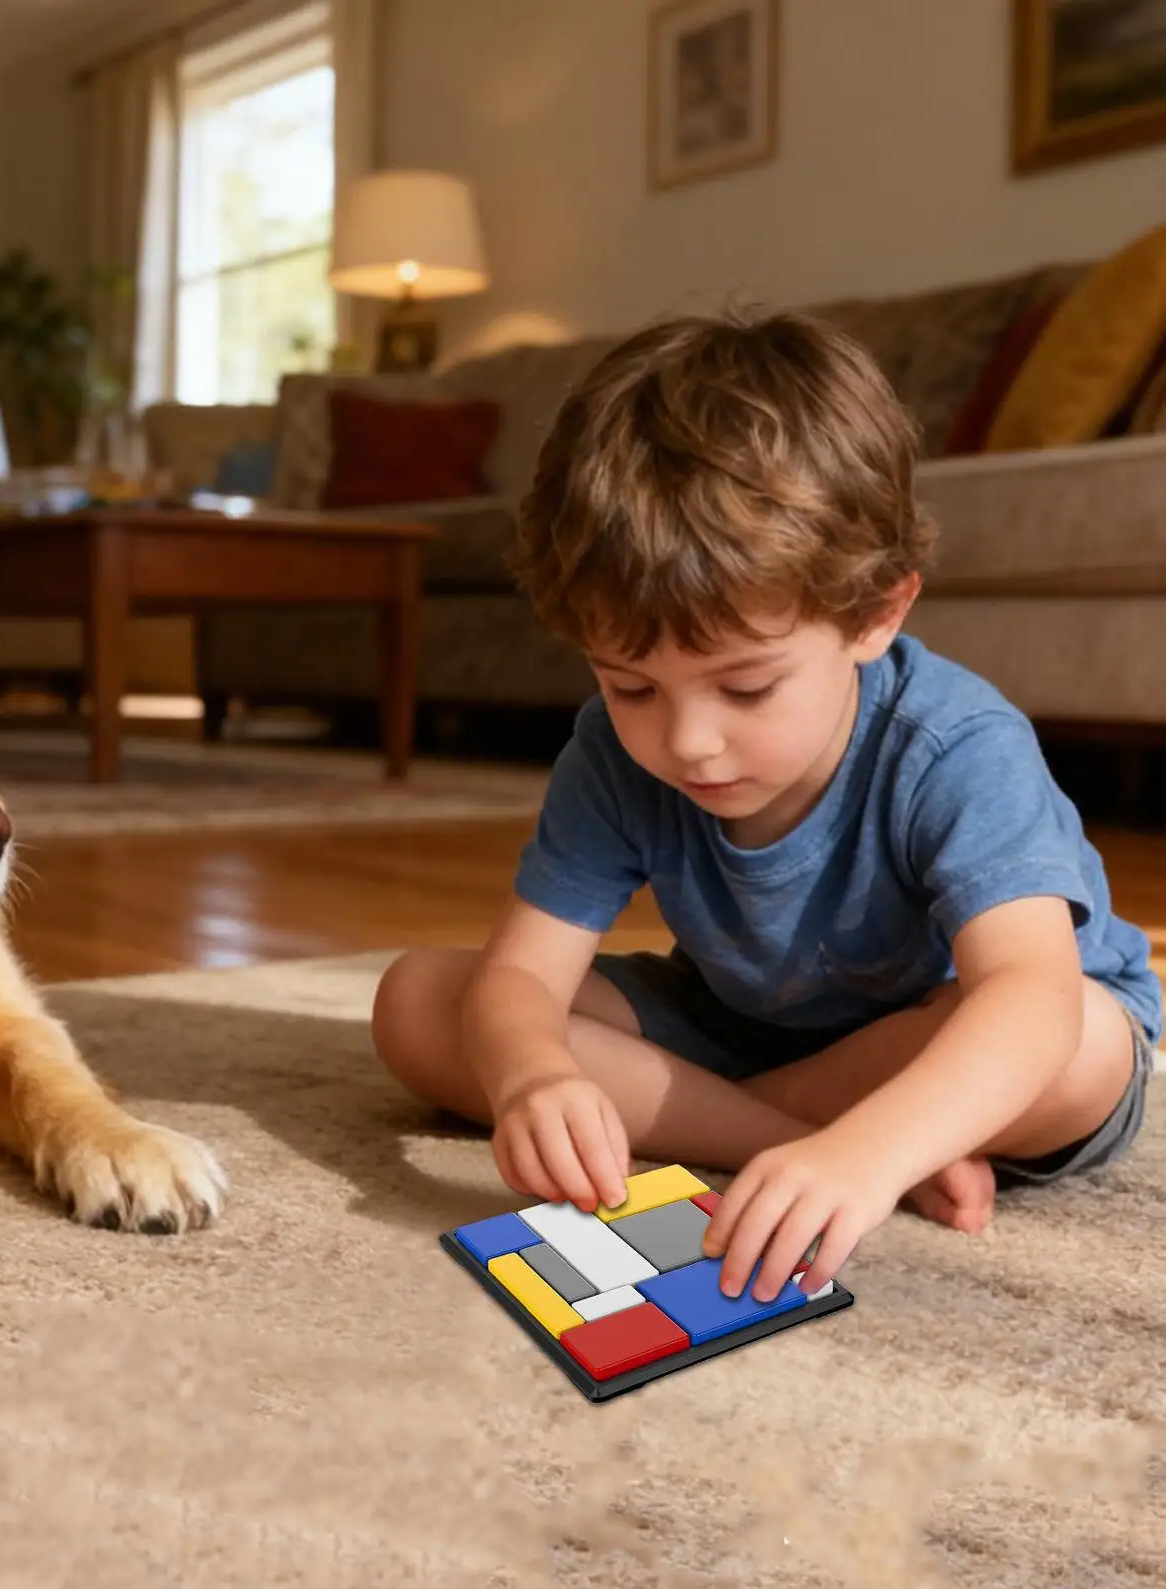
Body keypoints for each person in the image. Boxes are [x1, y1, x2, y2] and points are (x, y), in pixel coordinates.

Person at [371, 308, 1160, 1307]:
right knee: (418, 998)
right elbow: (523, 974)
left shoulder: (954, 743)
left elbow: (1030, 1000)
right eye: (630, 684)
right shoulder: (610, 753)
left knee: (1082, 1042)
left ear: (875, 613)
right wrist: (530, 1076)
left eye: (744, 690)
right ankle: (783, 1141)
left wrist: (867, 1155)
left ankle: (831, 1135)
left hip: (945, 1030)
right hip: (741, 1023)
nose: (686, 740)